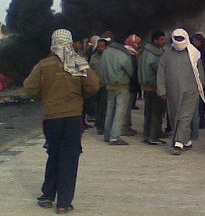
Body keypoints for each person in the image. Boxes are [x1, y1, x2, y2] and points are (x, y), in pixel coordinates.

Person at [23, 29, 99, 214]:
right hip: (73, 117)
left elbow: (29, 88)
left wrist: (46, 96)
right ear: (70, 42)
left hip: (51, 118)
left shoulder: (44, 64)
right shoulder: (78, 61)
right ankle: (64, 202)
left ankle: (47, 196)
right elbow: (93, 86)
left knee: (53, 154)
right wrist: (79, 97)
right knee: (69, 157)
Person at [157, 28, 205, 155]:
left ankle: (178, 143)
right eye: (176, 38)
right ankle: (186, 140)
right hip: (172, 91)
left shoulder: (194, 54)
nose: (179, 41)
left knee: (185, 117)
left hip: (191, 91)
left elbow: (200, 73)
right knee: (174, 116)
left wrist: (200, 86)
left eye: (181, 38)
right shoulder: (167, 54)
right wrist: (161, 89)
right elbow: (161, 72)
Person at [98, 33, 136, 146]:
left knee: (109, 111)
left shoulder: (106, 52)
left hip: (109, 85)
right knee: (119, 112)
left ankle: (107, 135)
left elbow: (101, 70)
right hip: (122, 85)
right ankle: (114, 137)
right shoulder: (124, 54)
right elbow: (129, 70)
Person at [139, 30, 166, 145]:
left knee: (148, 112)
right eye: (161, 39)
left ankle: (147, 134)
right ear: (155, 40)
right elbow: (160, 69)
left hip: (146, 86)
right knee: (156, 112)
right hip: (155, 86)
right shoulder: (155, 54)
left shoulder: (145, 52)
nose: (164, 41)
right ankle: (153, 136)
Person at [121, 35, 142, 136]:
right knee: (126, 108)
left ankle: (126, 126)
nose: (139, 46)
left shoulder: (124, 53)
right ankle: (124, 128)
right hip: (129, 85)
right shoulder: (131, 55)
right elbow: (132, 72)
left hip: (125, 84)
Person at [191, 33, 205, 128]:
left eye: (194, 40)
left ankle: (200, 121)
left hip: (201, 79)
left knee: (199, 102)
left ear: (199, 41)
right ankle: (200, 121)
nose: (193, 42)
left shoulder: (198, 52)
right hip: (203, 79)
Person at [90, 36, 109, 135]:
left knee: (104, 106)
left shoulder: (109, 57)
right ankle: (98, 124)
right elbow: (90, 69)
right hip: (96, 84)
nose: (101, 48)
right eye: (99, 46)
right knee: (97, 106)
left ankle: (102, 125)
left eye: (103, 46)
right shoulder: (94, 56)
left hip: (106, 85)